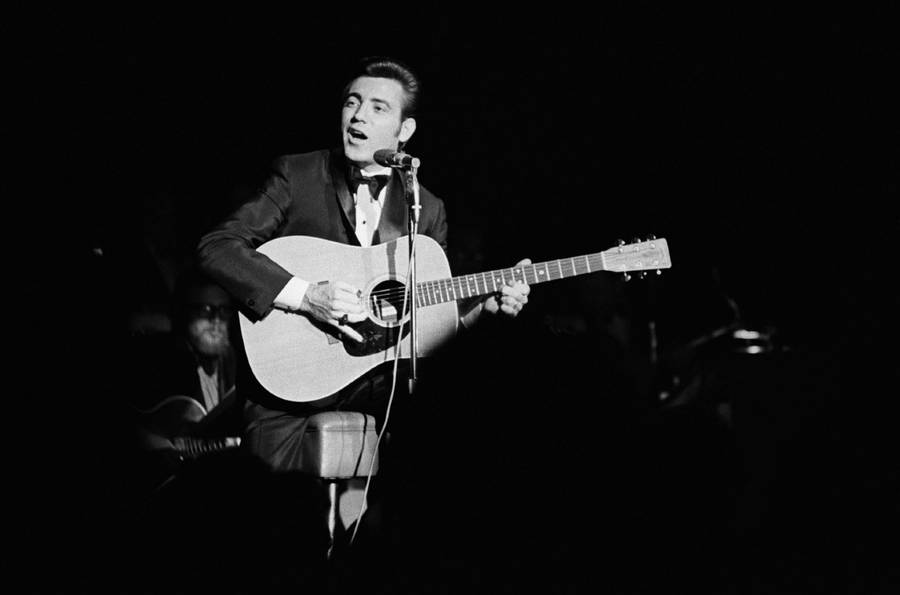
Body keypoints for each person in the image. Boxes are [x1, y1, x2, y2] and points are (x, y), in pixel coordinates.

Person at [196, 56, 531, 474]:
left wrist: (477, 311)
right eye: (352, 102)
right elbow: (217, 247)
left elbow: (425, 327)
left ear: (404, 131)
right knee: (276, 510)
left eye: (378, 107)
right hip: (288, 391)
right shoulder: (299, 175)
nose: (358, 115)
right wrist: (306, 296)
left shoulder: (426, 209)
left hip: (382, 392)